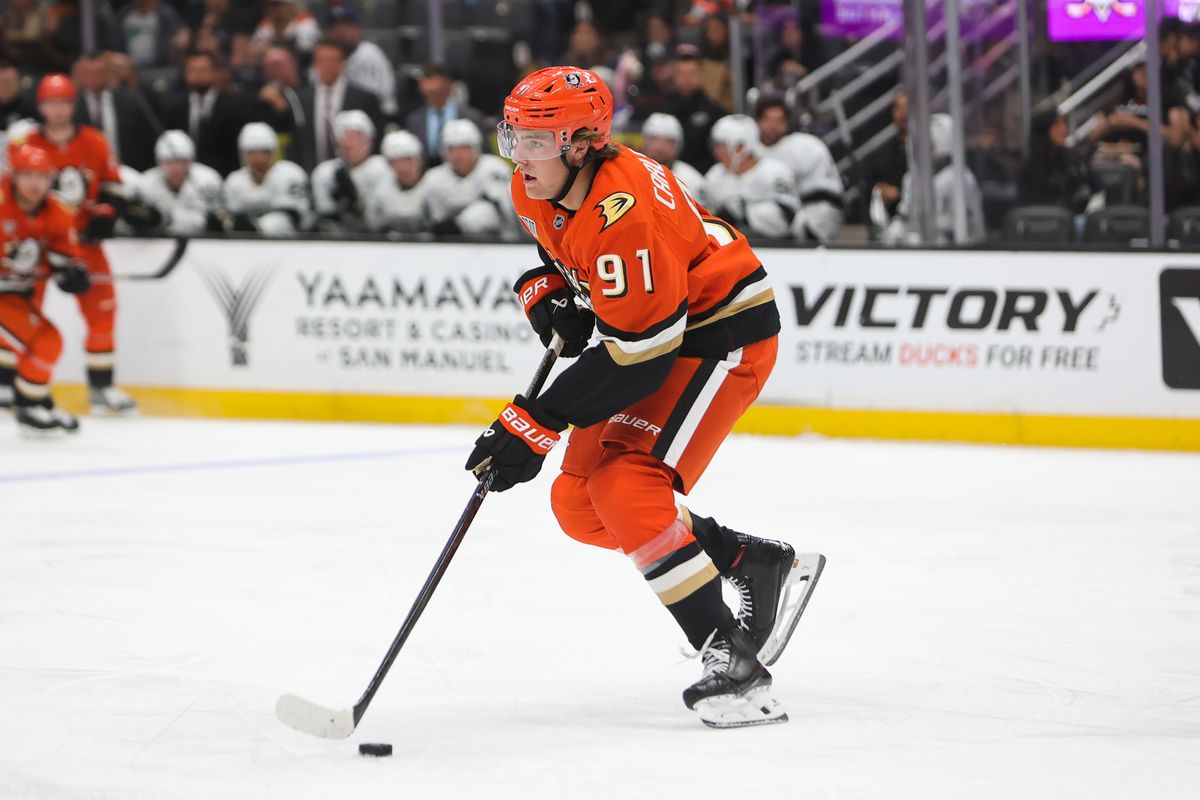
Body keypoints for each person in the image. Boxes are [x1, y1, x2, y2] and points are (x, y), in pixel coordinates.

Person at [470, 66, 824, 727]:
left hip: (721, 335)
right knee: (578, 504)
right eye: (514, 137)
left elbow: (639, 356)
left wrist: (534, 423)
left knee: (625, 485)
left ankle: (731, 661)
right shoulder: (535, 184)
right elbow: (567, 260)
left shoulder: (627, 207)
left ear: (582, 143)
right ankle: (749, 560)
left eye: (536, 141)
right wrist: (544, 293)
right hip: (659, 332)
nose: (520, 155)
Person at [14, 74, 158, 415]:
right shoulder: (24, 144)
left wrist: (106, 214)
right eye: (51, 102)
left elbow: (113, 186)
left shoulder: (95, 142)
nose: (58, 110)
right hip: (35, 246)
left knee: (103, 312)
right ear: (41, 105)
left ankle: (101, 387)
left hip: (84, 245)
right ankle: (14, 386)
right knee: (20, 316)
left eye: (63, 102)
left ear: (73, 104)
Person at [0, 144, 93, 435]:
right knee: (46, 341)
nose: (34, 183)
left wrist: (72, 273)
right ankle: (29, 408)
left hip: (17, 296)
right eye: (27, 175)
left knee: (43, 342)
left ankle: (37, 400)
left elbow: (63, 258)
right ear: (13, 175)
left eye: (41, 176)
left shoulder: (57, 212)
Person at [884, 113, 986, 245]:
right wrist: (895, 231)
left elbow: (972, 224)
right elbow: (905, 213)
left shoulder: (960, 178)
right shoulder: (911, 179)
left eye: (929, 142)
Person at [754, 97, 844, 242]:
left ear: (787, 122)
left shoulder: (808, 148)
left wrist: (807, 231)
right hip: (756, 229)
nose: (773, 126)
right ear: (757, 122)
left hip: (799, 231)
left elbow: (827, 198)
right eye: (768, 119)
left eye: (779, 120)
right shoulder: (746, 152)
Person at [700, 114, 799, 239]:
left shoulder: (774, 172)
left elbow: (785, 217)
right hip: (725, 249)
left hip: (774, 249)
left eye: (721, 145)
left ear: (739, 147)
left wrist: (743, 212)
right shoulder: (714, 175)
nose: (716, 152)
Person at [289, 39, 382, 171]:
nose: (328, 65)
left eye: (333, 60)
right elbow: (298, 142)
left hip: (354, 176)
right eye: (323, 60)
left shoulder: (364, 98)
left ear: (343, 63)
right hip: (312, 172)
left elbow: (374, 140)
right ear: (315, 64)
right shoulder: (300, 99)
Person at [161, 51, 252, 176]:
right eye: (193, 70)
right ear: (186, 74)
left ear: (214, 73)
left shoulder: (233, 107)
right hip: (185, 178)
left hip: (224, 175)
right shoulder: (175, 107)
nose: (198, 75)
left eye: (203, 70)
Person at [72, 52, 163, 172]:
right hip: (85, 173)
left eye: (98, 72)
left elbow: (156, 136)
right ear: (79, 75)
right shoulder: (72, 106)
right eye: (87, 73)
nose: (93, 78)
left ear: (108, 73)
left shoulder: (131, 101)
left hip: (128, 172)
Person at [422, 119, 514, 237]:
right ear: (444, 151)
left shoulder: (495, 169)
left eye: (465, 148)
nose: (459, 155)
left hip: (498, 241)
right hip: (449, 244)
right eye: (452, 149)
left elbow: (495, 210)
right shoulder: (433, 179)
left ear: (476, 148)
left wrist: (459, 224)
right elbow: (435, 220)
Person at [223, 122, 312, 236]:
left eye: (264, 152)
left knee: (275, 221)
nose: (258, 158)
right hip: (246, 244)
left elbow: (294, 217)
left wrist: (257, 227)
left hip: (286, 242)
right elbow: (233, 218)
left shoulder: (290, 174)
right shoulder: (234, 180)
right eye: (251, 153)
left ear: (273, 152)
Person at [310, 110, 389, 234]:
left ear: (369, 141)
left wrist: (356, 203)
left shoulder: (383, 168)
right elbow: (326, 218)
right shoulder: (326, 172)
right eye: (344, 136)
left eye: (356, 137)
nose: (348, 142)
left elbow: (381, 218)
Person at [136, 130, 226, 235]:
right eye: (169, 162)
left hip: (203, 244)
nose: (175, 168)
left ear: (190, 161)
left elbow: (219, 220)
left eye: (180, 161)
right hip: (158, 245)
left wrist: (165, 218)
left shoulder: (208, 181)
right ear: (159, 163)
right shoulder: (146, 183)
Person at [1016, 109, 1098, 214]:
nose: (1064, 129)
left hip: (1074, 220)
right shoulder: (1029, 169)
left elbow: (1094, 185)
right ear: (1043, 130)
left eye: (1064, 123)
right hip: (1042, 223)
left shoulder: (1073, 159)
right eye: (1057, 124)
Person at [404, 63, 486, 165]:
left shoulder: (473, 117)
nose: (433, 98)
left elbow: (484, 154)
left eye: (437, 92)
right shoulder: (414, 121)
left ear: (449, 86)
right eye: (427, 94)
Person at [325, 4, 398, 118]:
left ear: (357, 29)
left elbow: (383, 99)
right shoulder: (324, 57)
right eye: (335, 26)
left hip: (371, 117)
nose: (340, 31)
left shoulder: (370, 54)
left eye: (346, 25)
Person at [663, 47, 727, 173]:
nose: (686, 78)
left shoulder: (716, 112)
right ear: (674, 75)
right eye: (681, 73)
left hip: (704, 177)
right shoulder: (664, 111)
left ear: (701, 74)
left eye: (692, 72)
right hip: (668, 177)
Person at [365, 130, 427, 233]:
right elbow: (373, 225)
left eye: (407, 160)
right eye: (396, 162)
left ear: (418, 161)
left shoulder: (432, 186)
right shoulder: (380, 191)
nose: (403, 168)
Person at [863, 91, 908, 231]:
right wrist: (879, 189)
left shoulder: (924, 152)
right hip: (888, 222)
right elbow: (867, 181)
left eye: (907, 108)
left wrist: (900, 193)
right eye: (899, 108)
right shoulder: (883, 151)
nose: (903, 114)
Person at [640, 112, 706, 196]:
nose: (660, 147)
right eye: (654, 139)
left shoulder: (692, 180)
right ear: (645, 142)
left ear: (678, 145)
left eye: (668, 141)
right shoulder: (633, 173)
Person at [119, 0, 185, 69]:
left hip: (159, 65)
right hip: (128, 64)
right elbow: (116, 41)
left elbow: (177, 37)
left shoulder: (167, 15)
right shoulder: (123, 15)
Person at [251, 0, 322, 62]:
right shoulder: (266, 24)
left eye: (280, 6)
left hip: (302, 65)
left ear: (291, 6)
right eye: (272, 6)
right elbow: (255, 47)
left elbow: (306, 49)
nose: (276, 10)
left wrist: (271, 46)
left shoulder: (305, 21)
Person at [0, 61, 37, 130]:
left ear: (19, 83)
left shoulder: (30, 107)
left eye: (10, 81)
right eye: (2, 81)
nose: (6, 86)